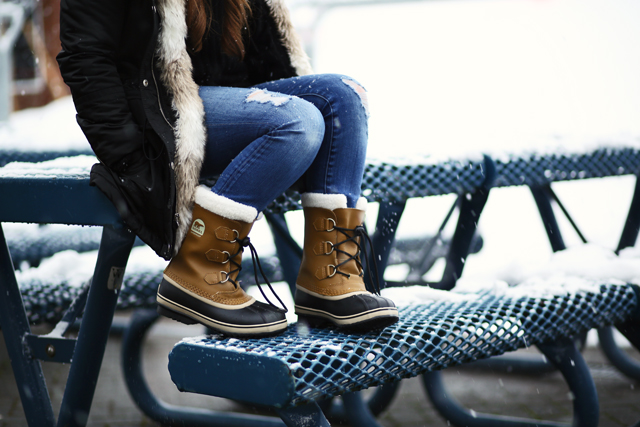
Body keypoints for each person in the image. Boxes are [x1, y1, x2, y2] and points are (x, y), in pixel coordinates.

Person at [57, 0, 398, 337]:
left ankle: (328, 275)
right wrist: (129, 157)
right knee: (299, 121)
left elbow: (265, 56)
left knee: (344, 98)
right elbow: (86, 56)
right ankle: (200, 268)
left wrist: (295, 151)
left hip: (225, 109)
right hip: (157, 118)